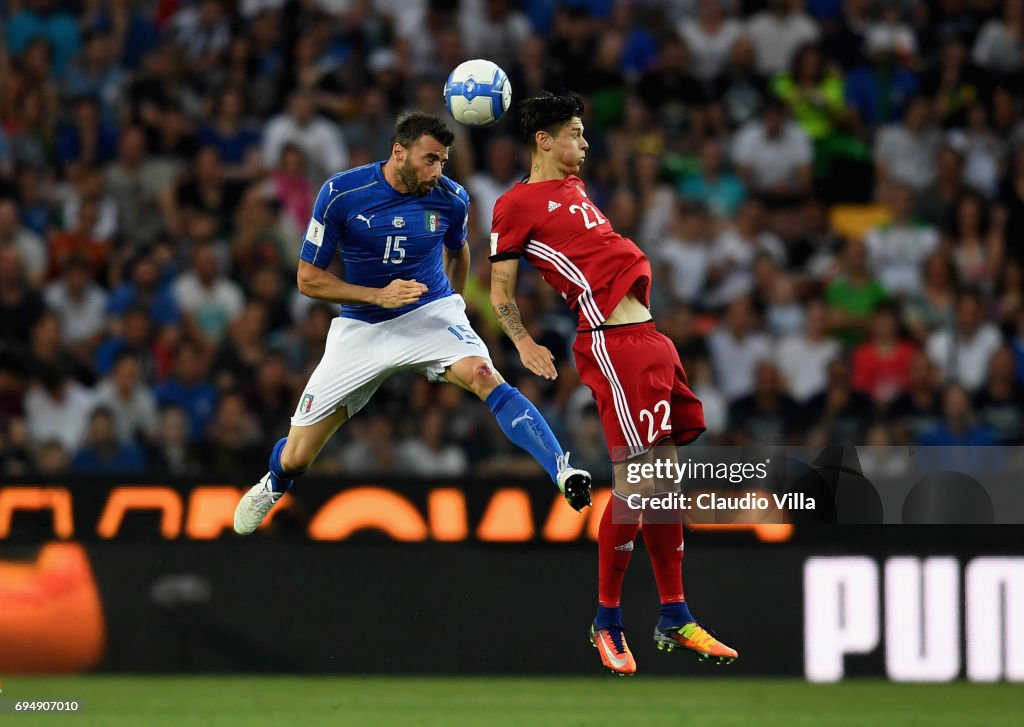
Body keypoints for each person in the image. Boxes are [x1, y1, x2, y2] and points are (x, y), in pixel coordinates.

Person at [233, 112, 592, 534]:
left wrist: (452, 306)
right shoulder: (342, 193)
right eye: (429, 159)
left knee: (483, 374)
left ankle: (562, 470)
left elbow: (459, 253)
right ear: (398, 151)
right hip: (362, 327)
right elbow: (308, 279)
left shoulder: (451, 198)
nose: (436, 171)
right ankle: (274, 482)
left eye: (442, 161)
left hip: (429, 313)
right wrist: (377, 296)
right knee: (298, 457)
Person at [489, 92, 737, 676]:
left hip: (652, 338)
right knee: (638, 481)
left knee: (666, 481)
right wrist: (523, 342)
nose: (586, 142)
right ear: (544, 140)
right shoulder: (515, 205)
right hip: (610, 341)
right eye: (575, 133)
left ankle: (675, 614)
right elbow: (500, 291)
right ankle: (607, 620)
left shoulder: (574, 189)